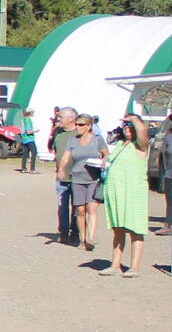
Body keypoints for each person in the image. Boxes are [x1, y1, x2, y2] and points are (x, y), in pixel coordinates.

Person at [99, 114, 151, 276]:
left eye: (130, 127)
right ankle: (115, 264)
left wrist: (135, 120)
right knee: (118, 229)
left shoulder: (140, 147)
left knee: (135, 229)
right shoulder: (121, 144)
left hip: (133, 192)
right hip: (117, 192)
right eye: (125, 127)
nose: (127, 129)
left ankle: (134, 267)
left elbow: (143, 134)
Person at [61, 113, 106, 251]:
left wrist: (104, 161)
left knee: (91, 208)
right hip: (77, 178)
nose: (78, 127)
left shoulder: (97, 139)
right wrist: (61, 169)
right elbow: (66, 156)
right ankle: (83, 239)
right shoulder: (72, 141)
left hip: (94, 178)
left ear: (89, 126)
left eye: (81, 125)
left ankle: (91, 238)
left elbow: (106, 153)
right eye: (77, 124)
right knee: (80, 210)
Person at [50, 107, 79, 241]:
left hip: (78, 176)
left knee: (77, 207)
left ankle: (76, 232)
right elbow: (52, 149)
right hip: (61, 177)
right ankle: (63, 232)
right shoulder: (59, 134)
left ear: (71, 118)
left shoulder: (80, 133)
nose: (58, 119)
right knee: (62, 207)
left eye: (61, 117)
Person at [17, 109, 37, 174]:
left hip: (24, 139)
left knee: (25, 154)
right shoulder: (28, 120)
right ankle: (32, 168)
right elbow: (28, 131)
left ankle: (23, 168)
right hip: (29, 139)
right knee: (34, 153)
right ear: (30, 113)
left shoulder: (23, 119)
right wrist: (35, 131)